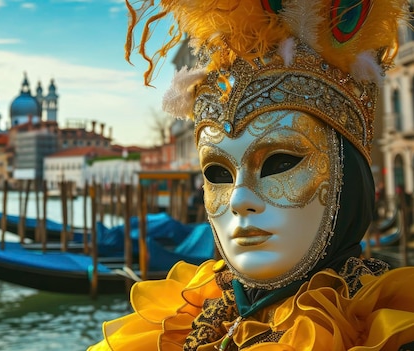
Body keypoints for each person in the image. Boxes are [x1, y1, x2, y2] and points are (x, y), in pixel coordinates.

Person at [89, 1, 414, 350]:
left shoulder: (392, 332)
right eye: (217, 173)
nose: (240, 200)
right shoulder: (176, 325)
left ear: (346, 181)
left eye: (279, 163)